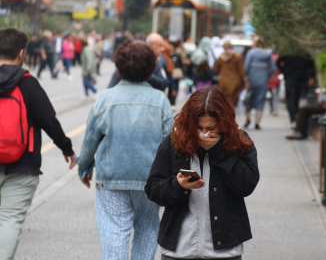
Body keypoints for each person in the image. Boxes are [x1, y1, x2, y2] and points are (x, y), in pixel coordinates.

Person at [77, 40, 173, 260]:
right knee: (148, 228)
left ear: (118, 68)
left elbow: (90, 139)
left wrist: (84, 168)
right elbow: (170, 144)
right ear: (151, 69)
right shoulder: (161, 101)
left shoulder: (105, 99)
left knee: (114, 232)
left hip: (112, 179)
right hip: (151, 180)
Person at [145, 86, 260, 260]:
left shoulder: (239, 142)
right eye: (199, 128)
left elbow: (247, 185)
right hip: (178, 250)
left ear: (224, 123)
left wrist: (219, 152)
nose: (205, 133)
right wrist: (177, 185)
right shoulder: (174, 143)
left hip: (225, 251)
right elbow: (153, 189)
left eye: (212, 128)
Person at [0, 27, 76, 260]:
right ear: (22, 53)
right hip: (23, 163)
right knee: (10, 219)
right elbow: (48, 120)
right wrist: (67, 149)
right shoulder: (28, 83)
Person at [243, 37, 277, 129]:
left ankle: (247, 119)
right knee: (261, 100)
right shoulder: (267, 54)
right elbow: (273, 68)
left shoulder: (251, 53)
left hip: (252, 79)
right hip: (263, 80)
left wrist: (246, 79)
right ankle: (257, 122)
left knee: (248, 99)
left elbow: (245, 67)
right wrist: (266, 75)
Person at [277, 53, 316, 127]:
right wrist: (308, 75)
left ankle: (294, 119)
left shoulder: (288, 51)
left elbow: (278, 62)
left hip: (291, 79)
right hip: (302, 79)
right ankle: (298, 119)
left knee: (291, 100)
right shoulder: (304, 52)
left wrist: (284, 71)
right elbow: (311, 66)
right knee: (300, 99)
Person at [215, 41, 246, 105]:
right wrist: (246, 79)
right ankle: (230, 113)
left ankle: (224, 113)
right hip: (235, 81)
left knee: (224, 101)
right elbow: (241, 70)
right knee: (232, 101)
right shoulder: (237, 56)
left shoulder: (220, 57)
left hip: (223, 81)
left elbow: (217, 69)